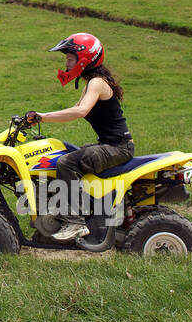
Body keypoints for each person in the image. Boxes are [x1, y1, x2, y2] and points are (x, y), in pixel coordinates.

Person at [25, 33, 134, 243]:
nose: (66, 63)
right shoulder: (90, 84)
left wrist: (43, 117)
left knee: (67, 163)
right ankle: (63, 217)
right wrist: (39, 117)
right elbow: (75, 109)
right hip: (111, 145)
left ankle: (74, 221)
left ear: (85, 59)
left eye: (69, 58)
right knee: (63, 155)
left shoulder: (97, 83)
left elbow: (81, 111)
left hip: (118, 147)